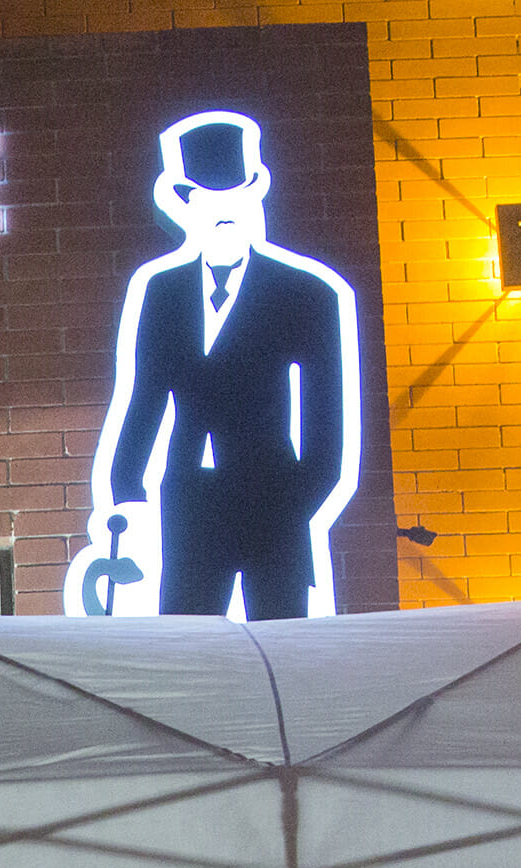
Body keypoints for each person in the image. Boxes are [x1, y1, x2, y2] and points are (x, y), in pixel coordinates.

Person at [65, 109, 358, 621]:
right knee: (193, 664)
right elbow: (143, 403)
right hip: (190, 508)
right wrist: (125, 496)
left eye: (236, 195)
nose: (223, 209)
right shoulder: (163, 292)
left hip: (273, 503)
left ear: (254, 195)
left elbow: (327, 438)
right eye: (205, 198)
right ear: (184, 206)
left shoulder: (307, 295)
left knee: (282, 660)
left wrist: (288, 511)